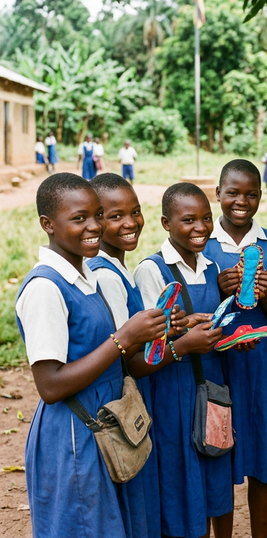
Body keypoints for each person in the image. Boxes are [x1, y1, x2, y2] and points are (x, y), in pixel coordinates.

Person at [15, 173, 168, 537]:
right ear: (47, 225)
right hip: (74, 435)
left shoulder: (84, 276)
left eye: (98, 215)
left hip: (107, 426)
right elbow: (50, 385)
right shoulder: (45, 288)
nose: (94, 227)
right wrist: (122, 339)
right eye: (79, 218)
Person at [133, 182, 234, 538]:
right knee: (180, 482)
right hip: (172, 391)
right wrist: (184, 335)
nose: (201, 228)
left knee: (214, 481)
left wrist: (230, 337)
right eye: (188, 220)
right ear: (165, 223)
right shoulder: (153, 270)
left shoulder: (209, 266)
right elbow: (148, 342)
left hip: (211, 387)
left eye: (206, 218)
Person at [204, 159, 267, 538]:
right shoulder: (203, 243)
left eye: (251, 194)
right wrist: (220, 290)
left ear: (260, 195)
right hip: (216, 360)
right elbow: (197, 309)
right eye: (233, 193)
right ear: (218, 194)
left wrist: (266, 292)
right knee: (218, 451)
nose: (242, 201)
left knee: (263, 452)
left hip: (260, 360)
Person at [87, 173, 179, 538]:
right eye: (115, 215)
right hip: (122, 404)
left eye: (136, 211)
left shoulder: (119, 267)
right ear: (96, 220)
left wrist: (173, 326)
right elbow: (129, 357)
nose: (130, 222)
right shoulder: (107, 276)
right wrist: (180, 345)